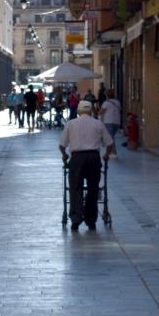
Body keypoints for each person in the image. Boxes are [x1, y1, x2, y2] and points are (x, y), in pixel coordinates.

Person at [59, 100, 113, 231]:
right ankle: (90, 220)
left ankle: (76, 220)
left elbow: (62, 145)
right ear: (91, 112)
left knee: (75, 188)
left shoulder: (71, 124)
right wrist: (106, 155)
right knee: (93, 189)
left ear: (78, 112)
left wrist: (65, 155)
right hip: (93, 158)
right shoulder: (98, 124)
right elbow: (109, 143)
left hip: (77, 159)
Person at [99, 88, 122, 157]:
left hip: (109, 121)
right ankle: (111, 152)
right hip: (117, 122)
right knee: (111, 137)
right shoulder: (117, 102)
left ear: (107, 95)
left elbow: (100, 112)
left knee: (110, 138)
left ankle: (113, 153)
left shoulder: (106, 103)